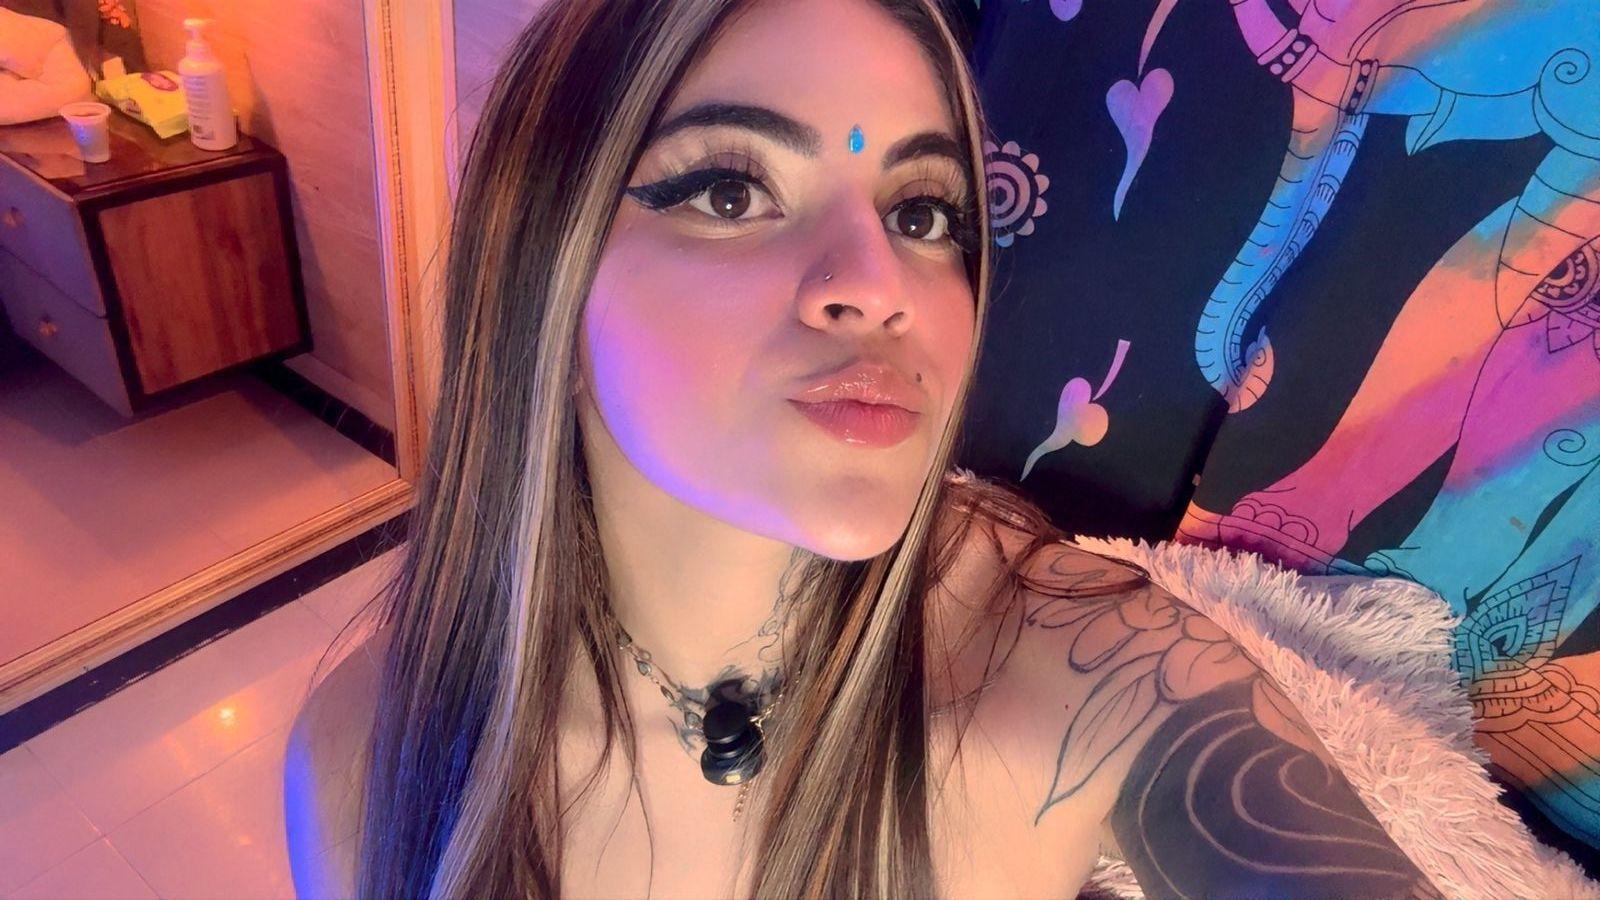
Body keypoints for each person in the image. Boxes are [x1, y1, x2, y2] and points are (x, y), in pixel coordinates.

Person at [284, 0, 1445, 896]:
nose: (879, 283)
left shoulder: (1089, 667)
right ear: (543, 274)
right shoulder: (365, 758)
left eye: (921, 212)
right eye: (730, 191)